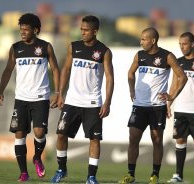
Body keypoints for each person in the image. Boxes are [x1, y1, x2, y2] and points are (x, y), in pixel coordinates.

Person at [0, 13, 60, 182]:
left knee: (39, 132)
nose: (22, 32)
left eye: (26, 29)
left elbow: (55, 69)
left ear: (36, 30)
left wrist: (58, 92)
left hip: (40, 97)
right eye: (21, 29)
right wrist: (0, 91)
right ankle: (23, 173)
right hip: (21, 98)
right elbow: (8, 70)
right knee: (19, 134)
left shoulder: (45, 47)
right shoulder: (15, 48)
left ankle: (37, 157)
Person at [50, 15, 114, 184]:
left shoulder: (104, 51)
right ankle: (61, 169)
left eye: (86, 30)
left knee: (94, 139)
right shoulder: (74, 47)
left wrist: (107, 102)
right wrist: (59, 93)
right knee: (61, 135)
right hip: (71, 101)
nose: (83, 32)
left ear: (95, 31)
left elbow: (109, 77)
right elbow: (66, 69)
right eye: (81, 29)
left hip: (93, 103)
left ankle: (91, 177)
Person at [119, 27, 187, 184]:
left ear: (153, 40)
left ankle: (155, 174)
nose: (141, 42)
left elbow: (182, 77)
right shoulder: (139, 55)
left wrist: (172, 96)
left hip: (157, 107)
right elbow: (130, 73)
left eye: (144, 39)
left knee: (157, 140)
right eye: (141, 39)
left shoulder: (167, 56)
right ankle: (130, 175)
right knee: (133, 138)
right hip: (139, 105)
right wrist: (131, 90)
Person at [167, 32, 194, 184]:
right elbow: (174, 85)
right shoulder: (177, 62)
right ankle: (178, 175)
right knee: (180, 141)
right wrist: (169, 104)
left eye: (184, 44)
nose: (182, 47)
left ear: (192, 44)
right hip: (180, 109)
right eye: (180, 44)